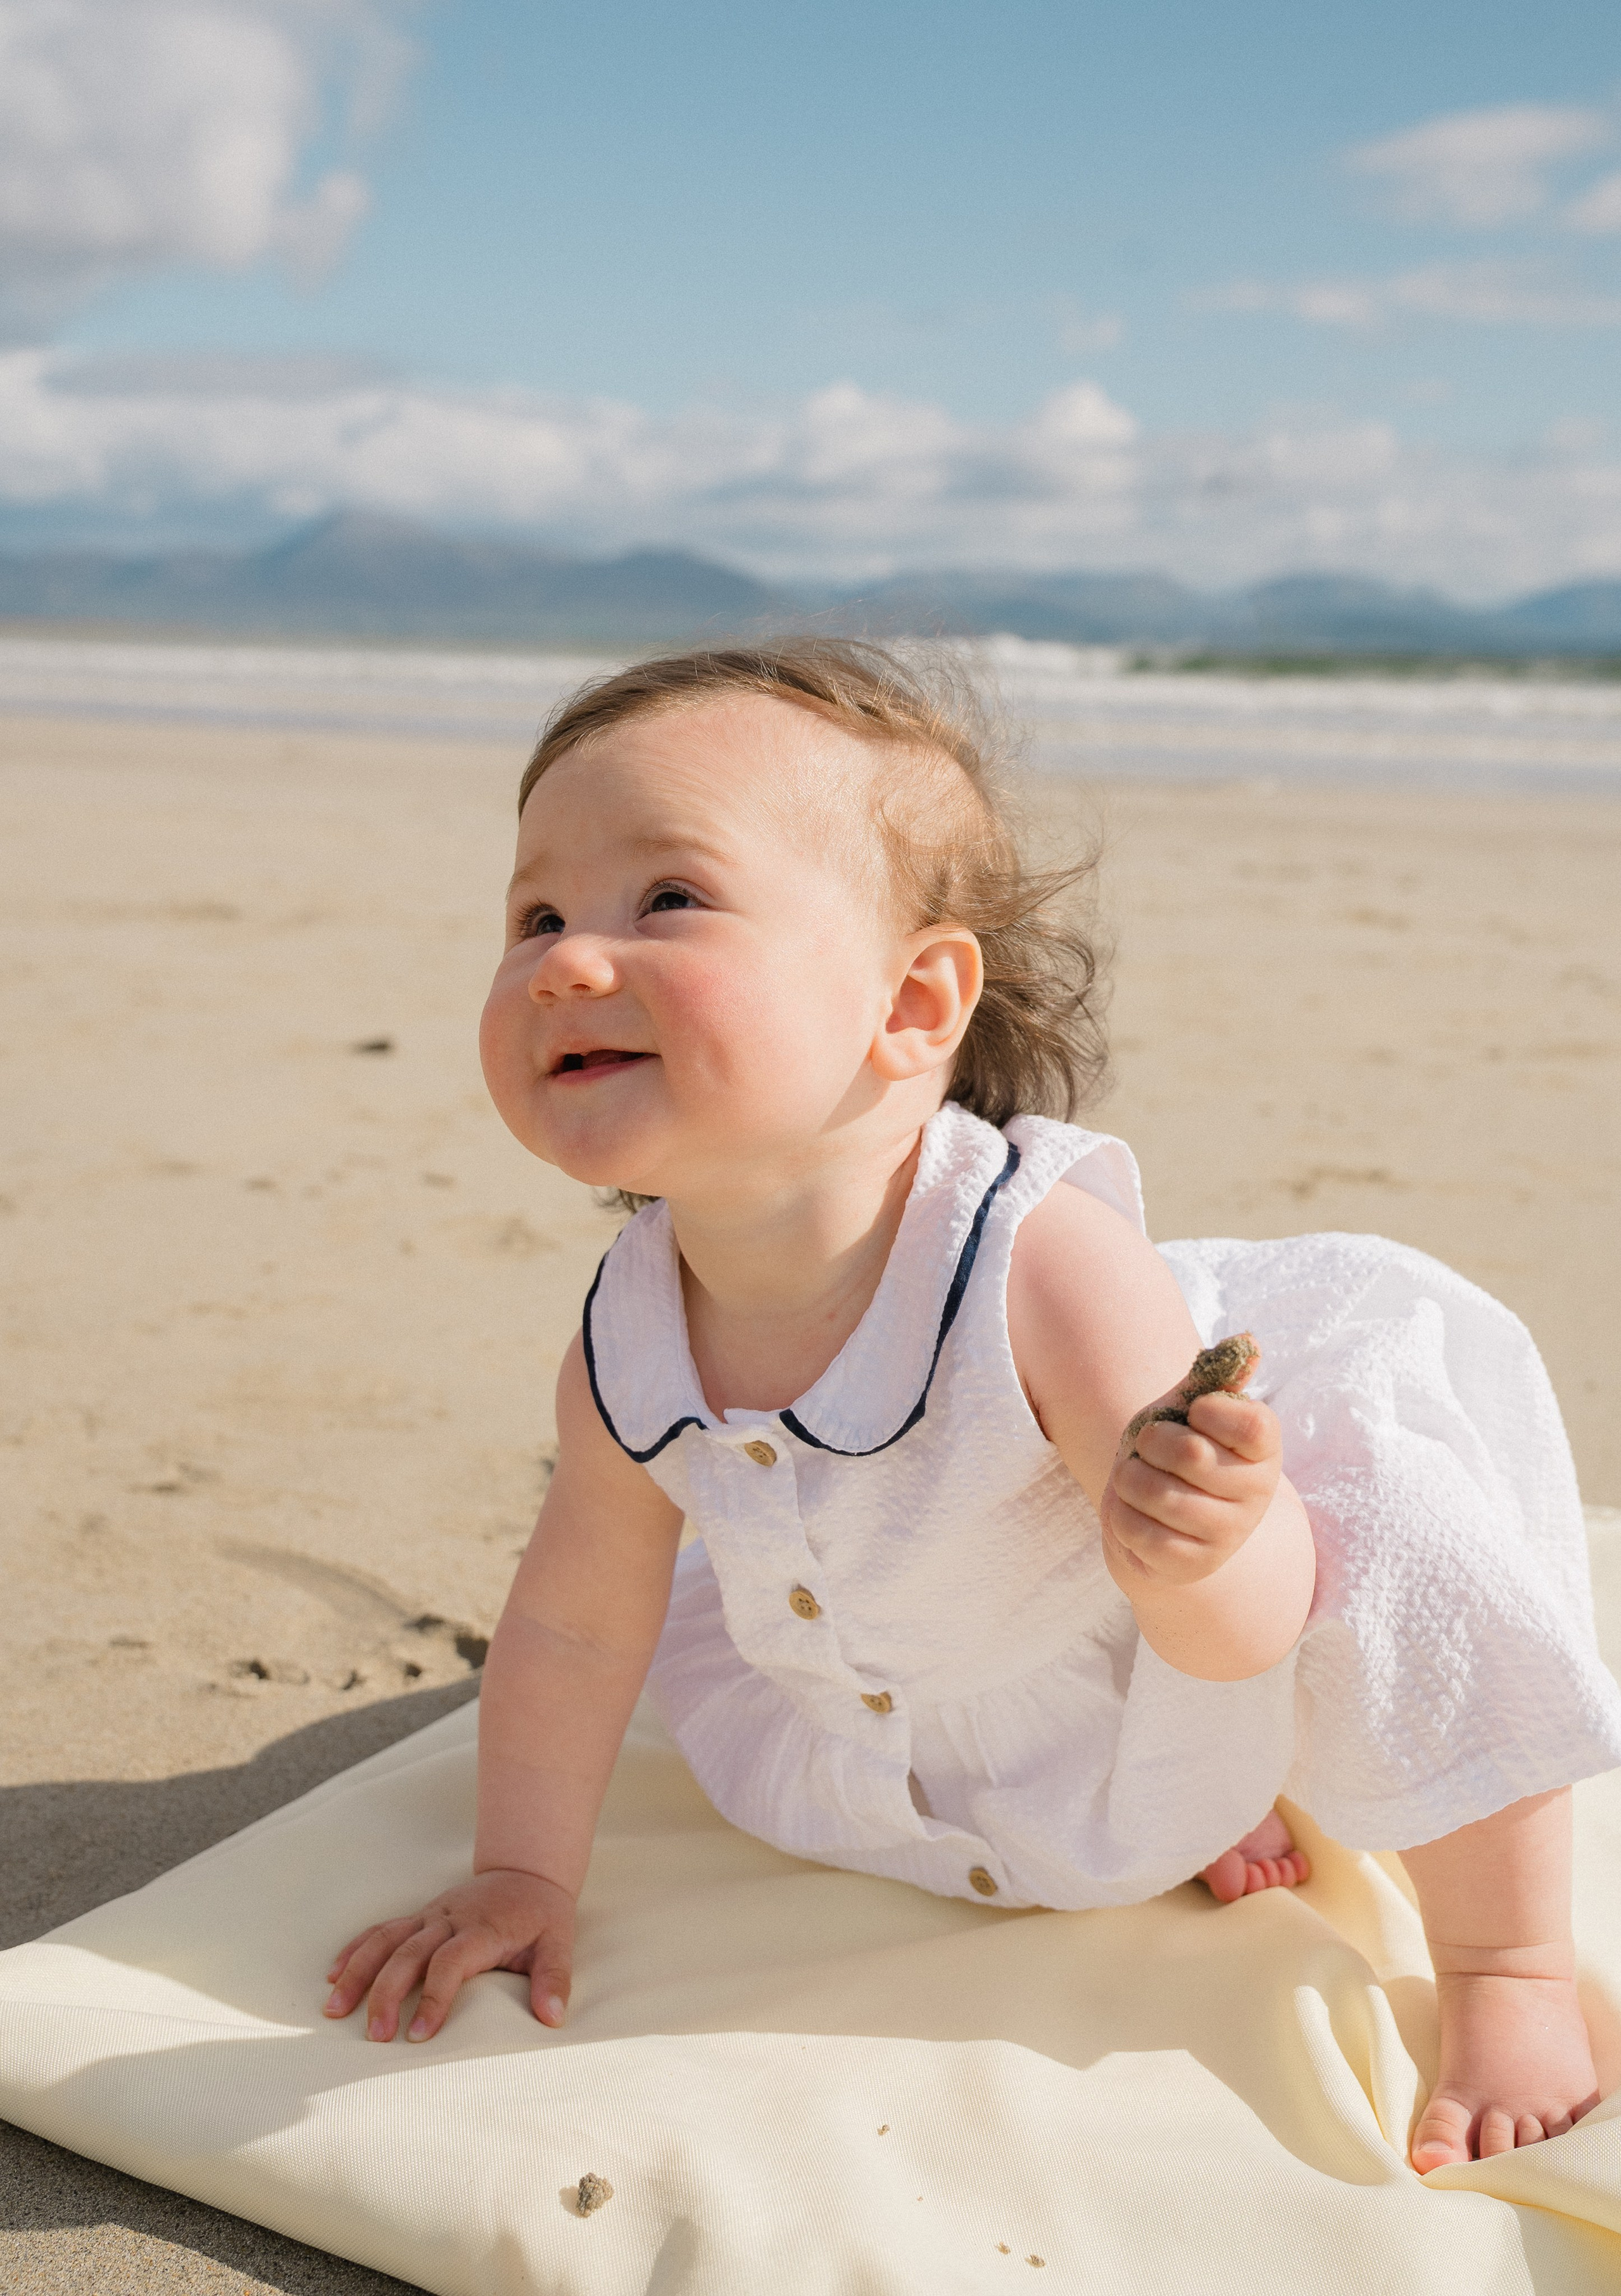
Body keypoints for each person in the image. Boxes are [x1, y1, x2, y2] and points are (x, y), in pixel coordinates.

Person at [322, 638, 1621, 2171]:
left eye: (665, 899)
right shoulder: (626, 1330)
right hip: (880, 1744)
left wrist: (1204, 1546)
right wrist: (522, 1872)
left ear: (914, 998)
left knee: (1388, 1524)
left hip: (1163, 1678)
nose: (565, 959)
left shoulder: (1040, 1267)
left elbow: (1245, 1631)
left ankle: (1508, 1961)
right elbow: (573, 1621)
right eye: (536, 912)